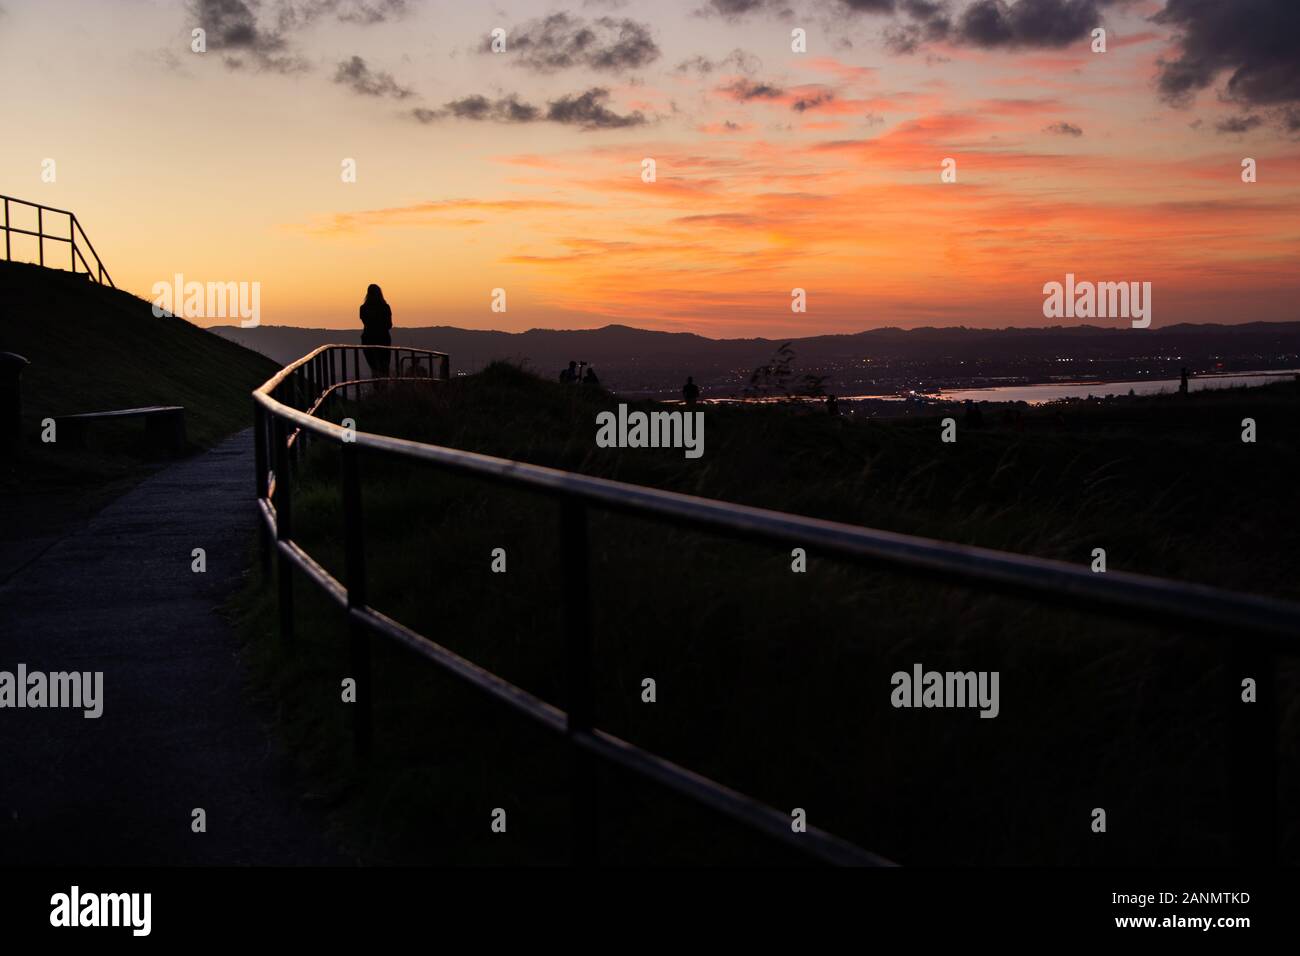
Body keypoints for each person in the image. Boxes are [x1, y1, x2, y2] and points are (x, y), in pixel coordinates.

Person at [359, 284, 393, 378]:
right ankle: (383, 388)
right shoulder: (385, 307)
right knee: (384, 366)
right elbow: (389, 325)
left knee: (373, 367)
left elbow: (366, 323)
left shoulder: (363, 308)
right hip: (383, 339)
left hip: (368, 339)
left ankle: (377, 387)